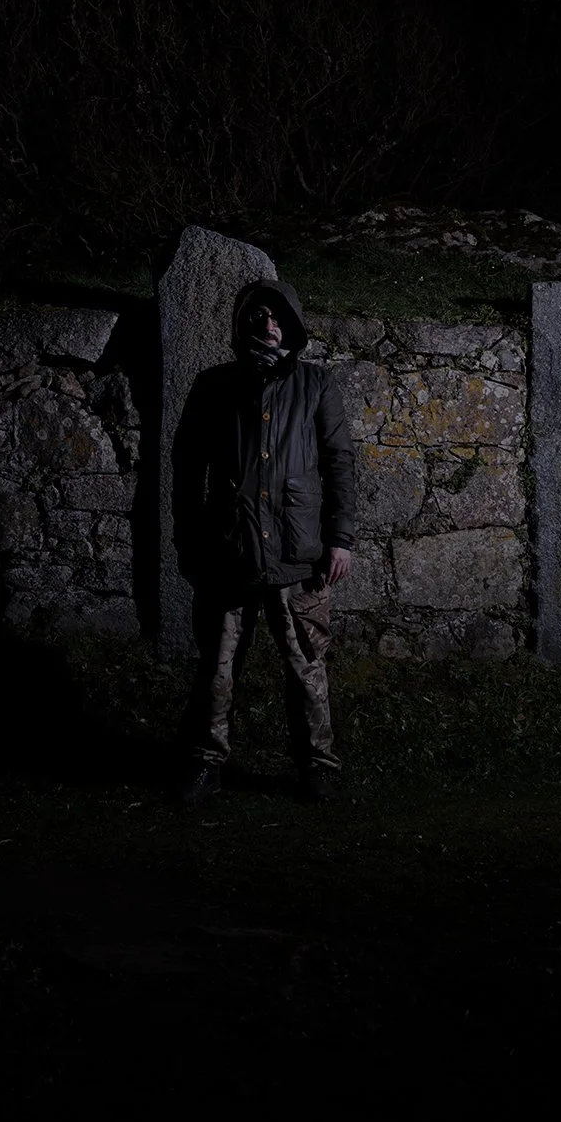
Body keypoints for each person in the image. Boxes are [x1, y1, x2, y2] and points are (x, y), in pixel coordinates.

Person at [172, 279, 355, 803]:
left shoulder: (316, 384)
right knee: (216, 665)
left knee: (306, 665)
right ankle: (205, 763)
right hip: (228, 551)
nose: (268, 325)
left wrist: (340, 537)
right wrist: (189, 540)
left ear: (291, 324)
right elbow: (187, 468)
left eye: (277, 317)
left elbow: (339, 462)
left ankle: (318, 768)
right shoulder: (214, 385)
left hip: (299, 553)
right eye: (258, 316)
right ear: (242, 323)